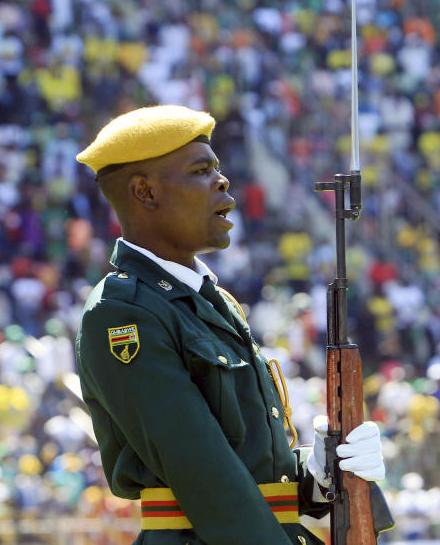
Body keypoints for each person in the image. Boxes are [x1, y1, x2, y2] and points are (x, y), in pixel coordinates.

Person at [74, 105, 393, 544]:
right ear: (145, 192)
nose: (222, 182)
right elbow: (206, 478)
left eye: (217, 168)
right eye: (201, 170)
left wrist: (317, 474)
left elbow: (250, 467)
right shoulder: (124, 312)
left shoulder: (211, 301)